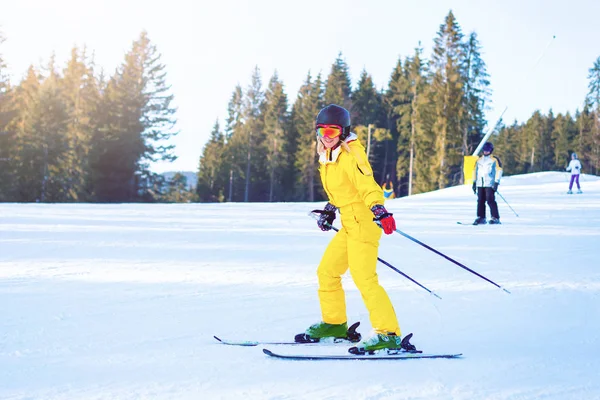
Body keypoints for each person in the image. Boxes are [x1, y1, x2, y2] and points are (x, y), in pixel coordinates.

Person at [296, 104, 412, 354]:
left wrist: (379, 208)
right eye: (322, 131)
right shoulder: (329, 157)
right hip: (349, 222)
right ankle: (335, 324)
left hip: (364, 222)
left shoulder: (351, 155)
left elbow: (367, 185)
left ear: (343, 131)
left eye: (332, 131)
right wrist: (330, 209)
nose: (327, 136)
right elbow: (343, 191)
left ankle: (388, 333)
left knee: (364, 278)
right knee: (327, 271)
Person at [472, 142, 503, 225]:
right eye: (485, 150)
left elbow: (499, 170)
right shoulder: (479, 160)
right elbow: (475, 171)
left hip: (489, 183)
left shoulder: (494, 160)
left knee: (490, 200)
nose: (486, 152)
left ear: (491, 150)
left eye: (488, 150)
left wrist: (496, 182)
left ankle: (495, 217)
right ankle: (481, 217)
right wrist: (474, 182)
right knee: (480, 200)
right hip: (480, 184)